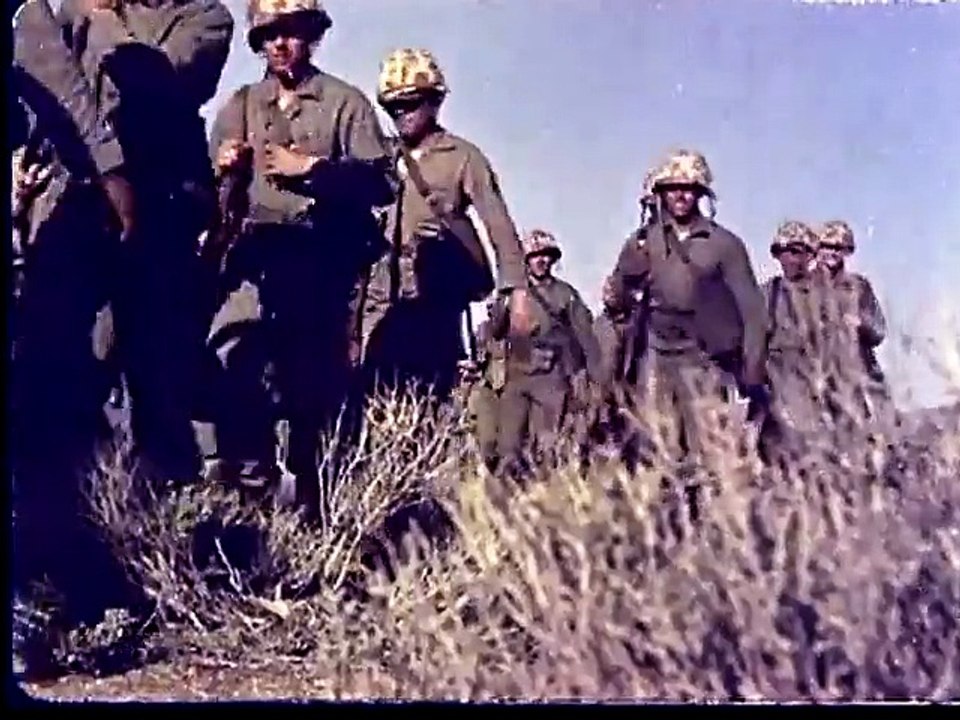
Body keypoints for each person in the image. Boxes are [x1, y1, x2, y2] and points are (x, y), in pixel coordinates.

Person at [204, 0, 395, 520]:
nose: (281, 45)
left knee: (312, 390)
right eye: (270, 36)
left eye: (291, 33)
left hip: (319, 266)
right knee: (235, 366)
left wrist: (313, 168)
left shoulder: (344, 103)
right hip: (252, 262)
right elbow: (203, 193)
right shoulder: (241, 105)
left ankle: (316, 512)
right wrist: (221, 165)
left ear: (311, 35)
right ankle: (250, 502)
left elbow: (380, 184)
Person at [50, 0, 235, 485]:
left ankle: (168, 504)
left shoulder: (206, 18)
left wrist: (105, 23)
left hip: (160, 206)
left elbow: (161, 85)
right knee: (71, 356)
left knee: (156, 364)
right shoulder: (77, 8)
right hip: (84, 200)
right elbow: (54, 86)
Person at [360, 47, 535, 405]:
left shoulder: (463, 157)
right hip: (380, 300)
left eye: (410, 104)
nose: (402, 115)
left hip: (434, 299)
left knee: (433, 393)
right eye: (393, 108)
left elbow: (498, 226)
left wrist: (516, 291)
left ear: (433, 102)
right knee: (373, 395)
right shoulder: (380, 157)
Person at [602, 149, 769, 477]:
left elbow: (753, 311)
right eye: (672, 188)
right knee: (657, 451)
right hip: (656, 355)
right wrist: (626, 277)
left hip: (704, 358)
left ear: (701, 194)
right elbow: (616, 305)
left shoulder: (723, 244)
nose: (680, 195)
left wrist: (751, 369)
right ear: (659, 194)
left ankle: (708, 523)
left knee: (708, 453)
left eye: (689, 188)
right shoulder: (641, 243)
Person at [493, 229, 602, 481]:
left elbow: (585, 336)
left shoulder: (566, 294)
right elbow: (495, 332)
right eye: (534, 255)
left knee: (548, 447)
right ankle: (507, 506)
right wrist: (503, 304)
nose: (540, 260)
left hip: (552, 377)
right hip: (517, 374)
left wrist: (595, 378)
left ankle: (546, 502)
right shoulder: (513, 294)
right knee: (508, 447)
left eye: (546, 255)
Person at [813, 219, 891, 424]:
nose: (830, 252)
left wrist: (859, 323)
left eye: (837, 248)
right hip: (817, 375)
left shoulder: (858, 286)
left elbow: (879, 330)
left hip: (856, 373)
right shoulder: (804, 287)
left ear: (847, 251)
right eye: (825, 246)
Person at [762, 220, 826, 464]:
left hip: (818, 382)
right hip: (778, 383)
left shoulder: (825, 295)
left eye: (796, 251)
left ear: (810, 255)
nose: (789, 259)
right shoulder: (769, 292)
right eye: (783, 252)